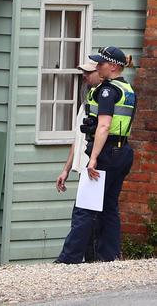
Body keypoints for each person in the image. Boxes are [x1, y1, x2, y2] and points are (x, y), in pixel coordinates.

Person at [55, 46, 136, 264]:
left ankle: (69, 259)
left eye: (101, 63)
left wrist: (93, 158)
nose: (97, 66)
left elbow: (104, 126)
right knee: (109, 207)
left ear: (113, 66)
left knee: (85, 207)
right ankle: (108, 257)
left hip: (106, 152)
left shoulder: (108, 90)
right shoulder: (127, 88)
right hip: (123, 151)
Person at [55, 61, 101, 262]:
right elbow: (78, 139)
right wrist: (66, 169)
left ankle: (68, 258)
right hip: (84, 166)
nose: (84, 77)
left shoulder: (103, 101)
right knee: (90, 215)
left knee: (82, 214)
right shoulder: (86, 102)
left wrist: (94, 161)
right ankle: (93, 259)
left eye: (88, 73)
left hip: (94, 167)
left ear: (100, 72)